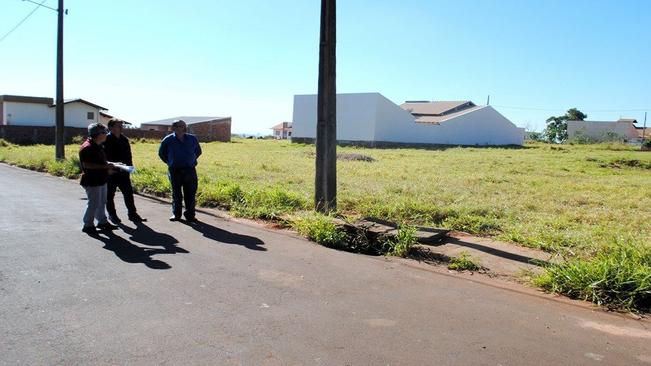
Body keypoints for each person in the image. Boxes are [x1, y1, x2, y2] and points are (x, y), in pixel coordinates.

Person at [158, 119, 202, 223]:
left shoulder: (192, 139)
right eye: (179, 126)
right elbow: (162, 154)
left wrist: (190, 160)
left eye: (183, 126)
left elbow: (198, 151)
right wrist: (171, 162)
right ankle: (176, 214)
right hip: (175, 171)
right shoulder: (168, 140)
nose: (182, 128)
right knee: (176, 194)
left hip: (190, 170)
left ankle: (190, 215)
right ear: (174, 128)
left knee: (190, 194)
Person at [103, 118, 145, 224]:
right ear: (111, 127)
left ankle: (132, 214)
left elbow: (128, 155)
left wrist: (130, 167)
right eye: (119, 125)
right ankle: (112, 215)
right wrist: (107, 169)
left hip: (124, 171)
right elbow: (102, 157)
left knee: (128, 193)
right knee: (109, 195)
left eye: (122, 125)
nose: (121, 127)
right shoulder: (106, 139)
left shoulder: (124, 139)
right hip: (111, 172)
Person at [79, 123, 119, 234]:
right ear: (98, 134)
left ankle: (102, 222)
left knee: (101, 202)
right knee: (94, 203)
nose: (106, 134)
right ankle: (88, 225)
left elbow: (100, 162)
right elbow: (87, 165)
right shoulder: (88, 147)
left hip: (101, 178)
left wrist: (112, 164)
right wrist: (106, 167)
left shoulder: (97, 145)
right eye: (104, 132)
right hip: (92, 180)